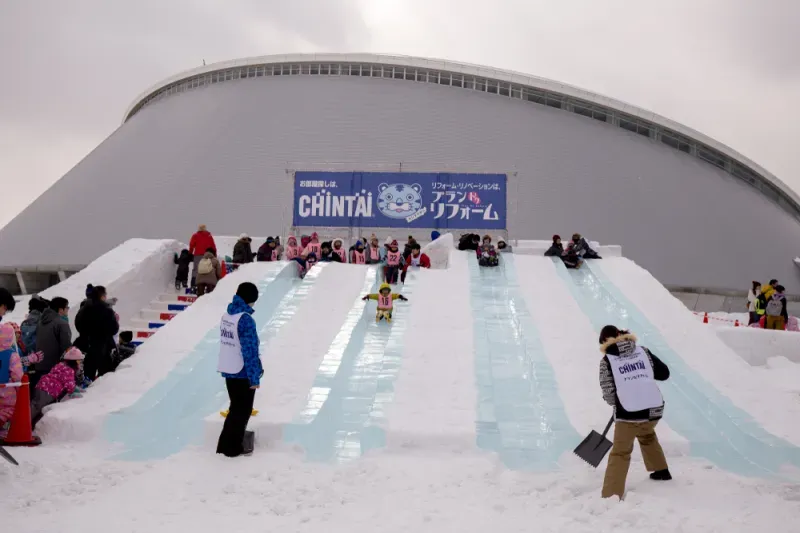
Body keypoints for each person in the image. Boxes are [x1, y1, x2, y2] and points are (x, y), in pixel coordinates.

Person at [598, 325, 671, 499]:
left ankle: (611, 495)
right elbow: (664, 373)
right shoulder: (642, 351)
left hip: (629, 415)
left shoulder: (607, 361)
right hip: (653, 410)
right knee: (646, 434)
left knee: (620, 452)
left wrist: (623, 400)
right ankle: (661, 471)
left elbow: (609, 395)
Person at [217, 282, 261, 458]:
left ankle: (224, 444)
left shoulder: (227, 315)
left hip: (228, 367)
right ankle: (233, 448)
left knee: (235, 407)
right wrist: (254, 377)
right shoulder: (245, 319)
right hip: (242, 371)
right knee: (242, 410)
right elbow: (249, 350)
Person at [31, 346, 84, 428]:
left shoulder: (60, 365)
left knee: (38, 406)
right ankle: (23, 422)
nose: (80, 363)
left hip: (42, 385)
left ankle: (31, 424)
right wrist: (76, 391)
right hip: (49, 390)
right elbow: (69, 385)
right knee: (37, 407)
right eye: (79, 361)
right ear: (75, 362)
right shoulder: (69, 370)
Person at [75, 286, 119, 380]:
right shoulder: (107, 310)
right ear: (102, 296)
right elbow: (114, 329)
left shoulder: (83, 309)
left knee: (88, 374)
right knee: (105, 376)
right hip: (103, 346)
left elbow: (77, 324)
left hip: (86, 346)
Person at [33, 297, 73, 381]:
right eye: (67, 307)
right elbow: (66, 346)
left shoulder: (41, 322)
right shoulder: (61, 323)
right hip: (54, 366)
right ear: (60, 309)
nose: (67, 309)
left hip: (39, 364)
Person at [0, 323, 22, 441]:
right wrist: (21, 389)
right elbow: (17, 375)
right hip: (8, 390)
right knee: (9, 410)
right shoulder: (12, 355)